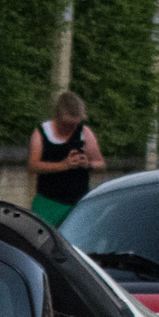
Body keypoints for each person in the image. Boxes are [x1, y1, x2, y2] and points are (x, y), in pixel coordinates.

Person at [29, 91, 106, 226]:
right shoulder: (41, 132)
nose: (71, 128)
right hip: (47, 204)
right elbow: (33, 166)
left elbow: (101, 164)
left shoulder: (85, 132)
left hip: (77, 205)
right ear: (58, 115)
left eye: (75, 124)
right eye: (67, 124)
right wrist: (63, 165)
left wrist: (88, 164)